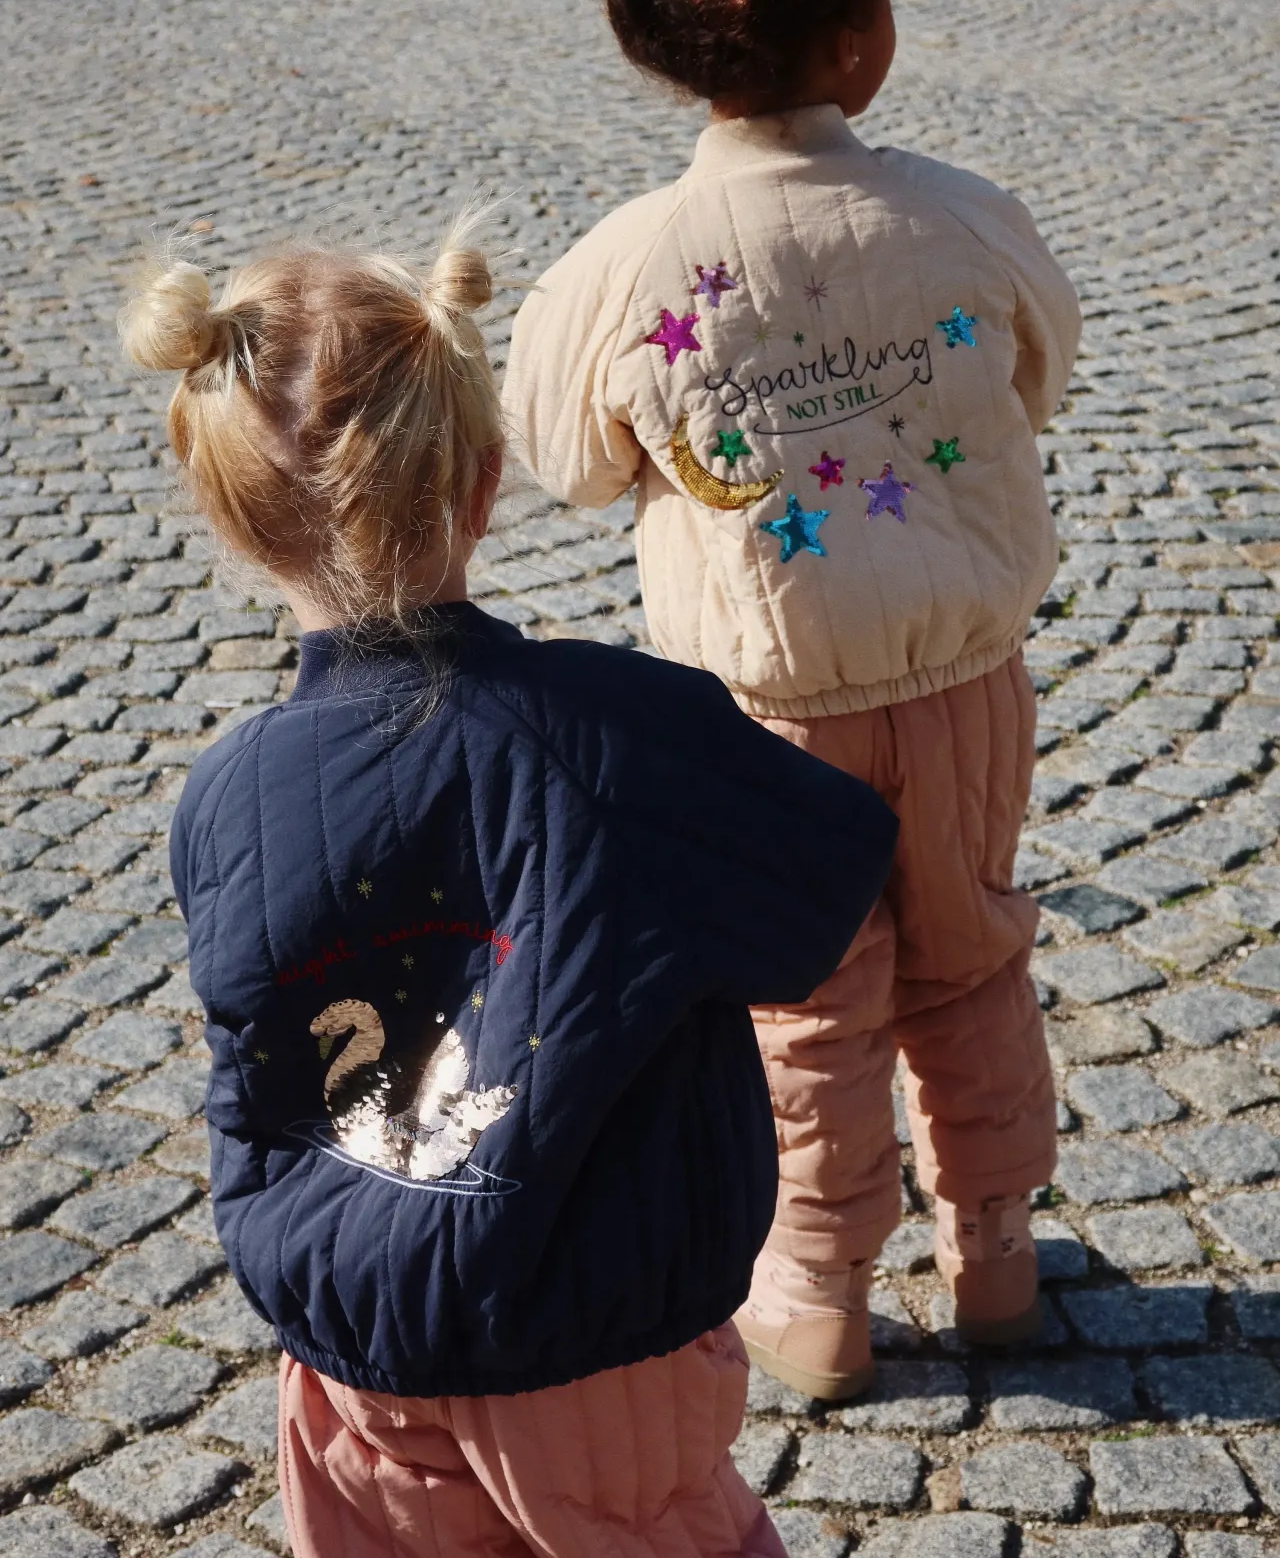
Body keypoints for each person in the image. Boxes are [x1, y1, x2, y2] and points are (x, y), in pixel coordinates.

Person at [122, 233, 897, 1558]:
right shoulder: (627, 735)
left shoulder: (226, 797)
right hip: (597, 1343)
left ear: (233, 519)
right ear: (485, 484)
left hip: (353, 1355)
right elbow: (826, 883)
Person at [502, 0, 1083, 1403]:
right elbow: (1040, 374)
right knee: (972, 954)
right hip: (964, 679)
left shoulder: (625, 269)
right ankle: (998, 1251)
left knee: (805, 998)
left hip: (764, 717)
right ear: (863, 36)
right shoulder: (960, 217)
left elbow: (563, 457)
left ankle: (820, 1291)